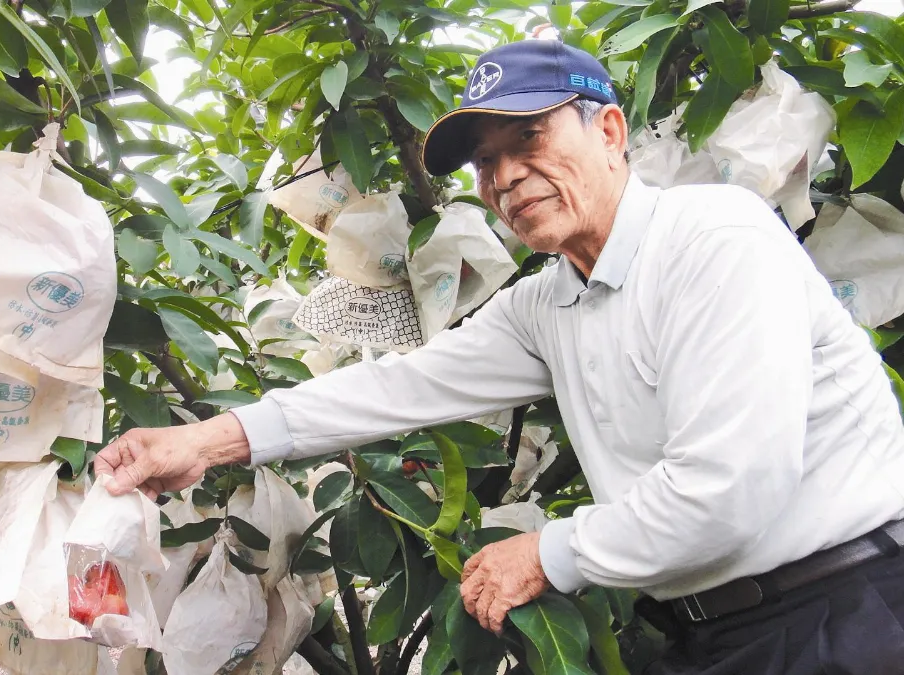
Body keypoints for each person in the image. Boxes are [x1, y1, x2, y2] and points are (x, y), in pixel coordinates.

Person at [96, 40, 904, 673]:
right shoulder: (549, 301)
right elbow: (398, 386)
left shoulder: (712, 238)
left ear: (611, 131)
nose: (508, 176)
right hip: (724, 631)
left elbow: (729, 490)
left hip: (849, 613)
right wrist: (204, 440)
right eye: (486, 161)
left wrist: (550, 551)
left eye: (530, 137)